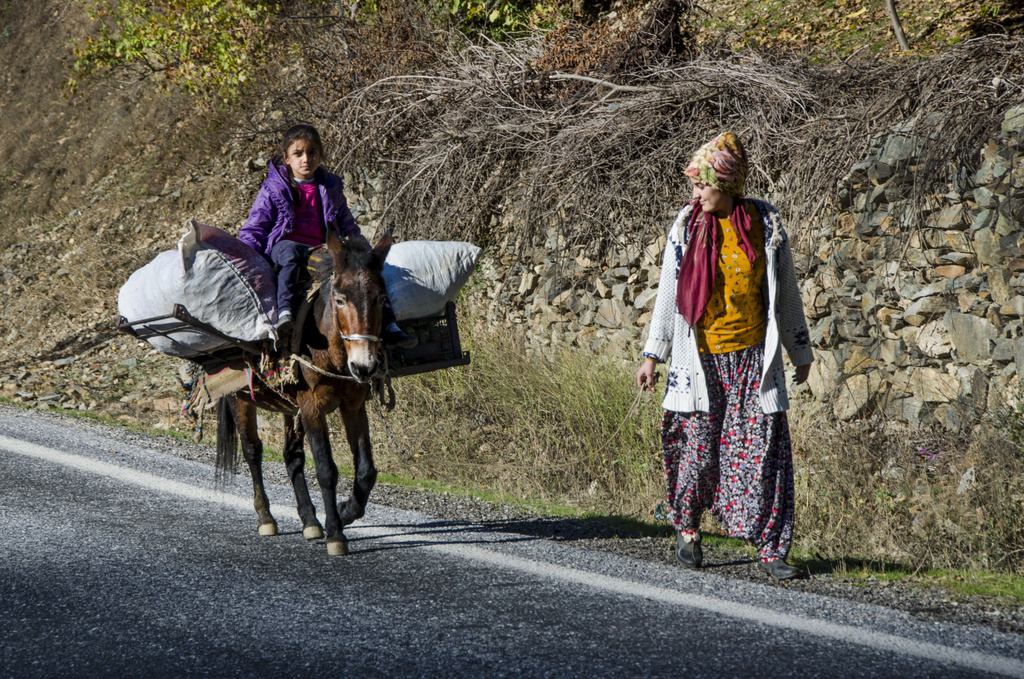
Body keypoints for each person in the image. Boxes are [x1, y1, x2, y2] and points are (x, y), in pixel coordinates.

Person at [635, 131, 813, 580]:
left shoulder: (764, 225)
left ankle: (771, 550)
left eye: (702, 185)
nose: (695, 194)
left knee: (765, 453)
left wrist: (799, 349)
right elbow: (668, 294)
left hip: (753, 360)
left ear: (727, 185)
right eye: (694, 186)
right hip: (700, 359)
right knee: (696, 452)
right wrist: (652, 355)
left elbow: (786, 292)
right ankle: (688, 528)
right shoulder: (686, 226)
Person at [239, 123, 416, 349]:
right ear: (286, 158)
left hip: (321, 248)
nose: (306, 159)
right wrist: (246, 257)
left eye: (312, 152)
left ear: (320, 154)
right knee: (290, 253)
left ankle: (389, 325)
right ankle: (284, 311)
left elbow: (346, 223)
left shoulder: (330, 186)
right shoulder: (273, 189)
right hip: (285, 246)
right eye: (298, 153)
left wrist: (366, 255)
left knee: (363, 277)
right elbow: (255, 227)